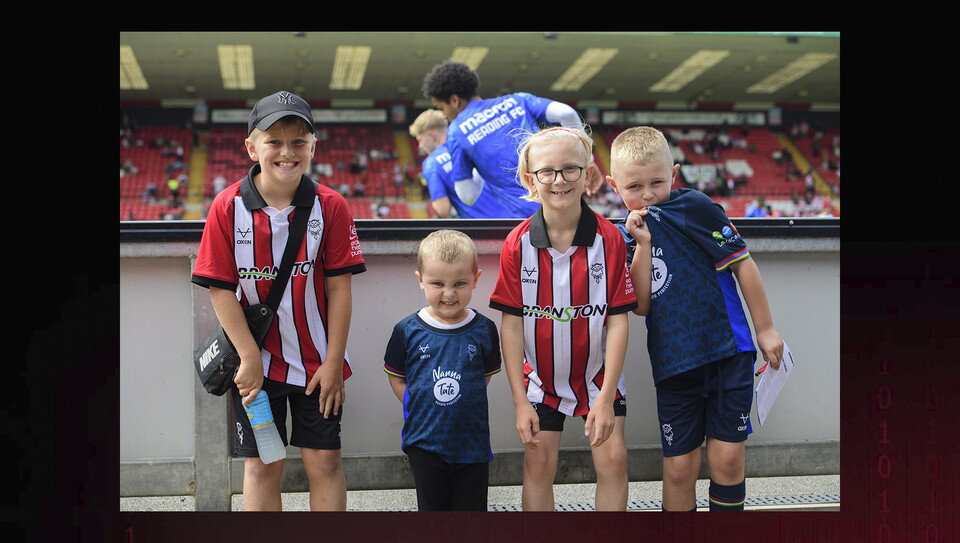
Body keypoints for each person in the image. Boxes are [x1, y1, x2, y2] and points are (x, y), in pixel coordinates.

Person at [191, 91, 367, 511]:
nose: (287, 152)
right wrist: (249, 357)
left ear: (312, 147)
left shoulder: (332, 206)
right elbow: (221, 289)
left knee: (324, 463)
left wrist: (334, 363)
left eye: (298, 141)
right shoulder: (227, 206)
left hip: (316, 368)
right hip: (256, 370)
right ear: (252, 147)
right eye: (274, 141)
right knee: (262, 466)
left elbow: (340, 289)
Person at [605, 126, 784, 512]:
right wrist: (644, 245)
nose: (648, 194)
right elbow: (641, 306)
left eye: (657, 182)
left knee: (727, 459)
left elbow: (744, 265)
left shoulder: (697, 207)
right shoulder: (627, 235)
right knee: (681, 469)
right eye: (634, 186)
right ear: (613, 186)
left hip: (728, 353)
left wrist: (765, 329)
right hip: (674, 364)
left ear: (674, 174)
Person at [489, 126, 637, 511]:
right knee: (538, 463)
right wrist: (520, 402)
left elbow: (619, 321)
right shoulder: (516, 244)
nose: (559, 180)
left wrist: (605, 399)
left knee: (614, 459)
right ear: (530, 180)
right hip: (540, 380)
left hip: (598, 377)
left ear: (588, 175)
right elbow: (511, 325)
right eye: (547, 171)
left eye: (571, 169)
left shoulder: (611, 240)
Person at [383, 229, 502, 511]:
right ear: (420, 281)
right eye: (438, 283)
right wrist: (419, 403)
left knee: (471, 518)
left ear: (476, 279)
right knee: (433, 514)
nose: (449, 293)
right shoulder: (406, 330)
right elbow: (395, 375)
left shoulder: (485, 329)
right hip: (424, 444)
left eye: (460, 283)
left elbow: (483, 376)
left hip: (472, 445)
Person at [421, 60, 604, 218]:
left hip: (527, 221)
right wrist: (588, 160)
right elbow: (566, 113)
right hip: (566, 208)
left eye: (442, 108)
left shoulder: (456, 131)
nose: (445, 115)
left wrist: (478, 169)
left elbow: (467, 196)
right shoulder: (518, 100)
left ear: (454, 100)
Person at [408, 109, 501, 218]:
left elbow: (443, 210)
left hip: (484, 227)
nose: (420, 146)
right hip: (511, 217)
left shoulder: (431, 163)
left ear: (431, 135)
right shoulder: (468, 145)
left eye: (420, 140)